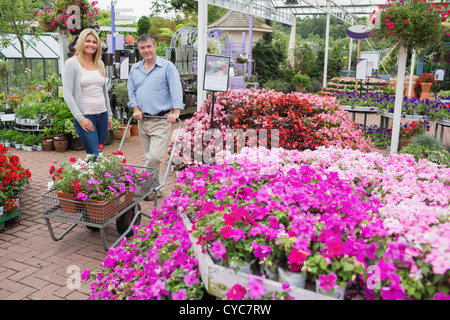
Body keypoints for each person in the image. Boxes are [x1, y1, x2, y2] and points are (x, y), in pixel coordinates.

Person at [128, 34, 184, 201]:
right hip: (142, 119)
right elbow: (131, 91)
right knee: (149, 157)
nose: (146, 50)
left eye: (148, 46)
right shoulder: (135, 69)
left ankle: (143, 187)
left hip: (161, 120)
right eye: (142, 48)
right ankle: (156, 189)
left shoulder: (167, 67)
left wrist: (176, 111)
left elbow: (176, 89)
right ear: (139, 50)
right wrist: (136, 108)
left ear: (155, 47)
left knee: (154, 157)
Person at [62, 28, 113, 159]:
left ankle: (92, 179)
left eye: (94, 42)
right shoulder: (72, 64)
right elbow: (67, 94)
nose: (91, 44)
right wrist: (80, 118)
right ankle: (89, 179)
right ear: (81, 43)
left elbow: (104, 92)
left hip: (102, 115)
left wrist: (109, 115)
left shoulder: (99, 63)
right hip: (86, 117)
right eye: (88, 41)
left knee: (99, 155)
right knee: (94, 155)